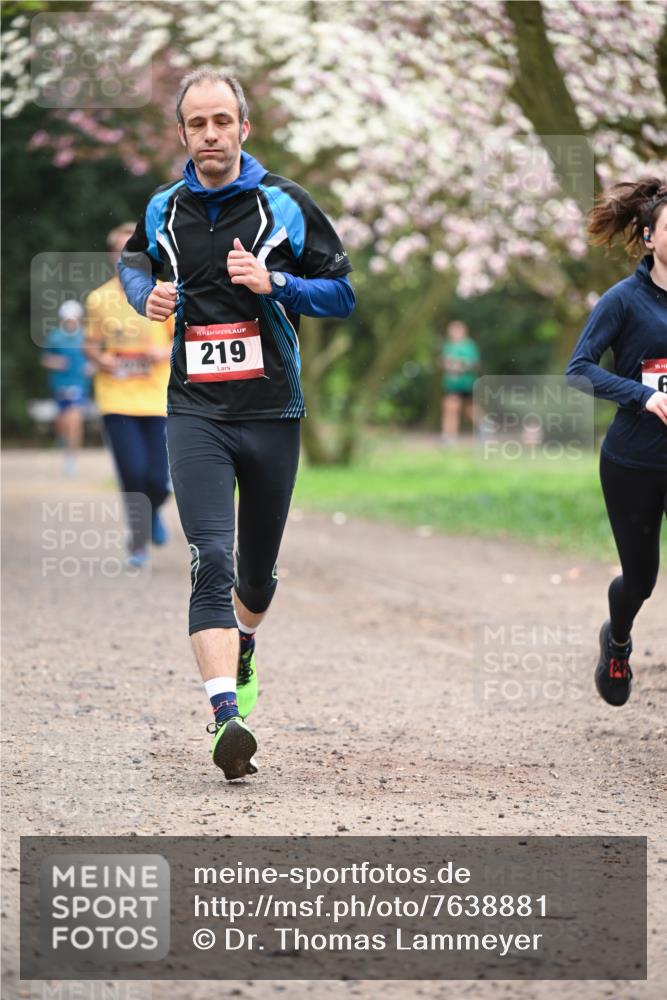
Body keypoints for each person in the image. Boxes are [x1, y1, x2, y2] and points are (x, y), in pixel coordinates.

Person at [117, 70, 355, 780]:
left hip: (273, 412)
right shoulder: (164, 208)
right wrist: (146, 295)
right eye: (198, 124)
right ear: (183, 133)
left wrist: (275, 283)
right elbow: (133, 262)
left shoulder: (284, 203)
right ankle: (227, 719)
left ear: (243, 127)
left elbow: (341, 292)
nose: (211, 134)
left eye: (223, 120)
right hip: (195, 411)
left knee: (255, 576)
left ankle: (245, 643)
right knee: (209, 559)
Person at [567, 177, 667, 707]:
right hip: (635, 461)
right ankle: (618, 639)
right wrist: (641, 396)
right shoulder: (623, 301)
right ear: (650, 236)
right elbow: (579, 370)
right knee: (642, 580)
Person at [85, 223, 174, 568]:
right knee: (133, 473)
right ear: (111, 256)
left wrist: (162, 350)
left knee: (158, 479)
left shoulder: (164, 294)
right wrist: (102, 359)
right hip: (116, 397)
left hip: (158, 398)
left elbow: (183, 340)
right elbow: (90, 346)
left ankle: (151, 513)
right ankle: (138, 540)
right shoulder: (98, 299)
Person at [41, 299, 90, 476]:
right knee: (63, 422)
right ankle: (64, 441)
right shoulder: (55, 336)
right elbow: (46, 359)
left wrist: (91, 366)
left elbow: (95, 356)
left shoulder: (85, 336)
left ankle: (71, 458)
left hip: (79, 384)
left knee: (75, 419)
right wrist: (56, 362)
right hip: (60, 384)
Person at [441, 320, 480, 443]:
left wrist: (460, 366)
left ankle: (486, 426)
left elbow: (474, 364)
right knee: (450, 407)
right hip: (451, 384)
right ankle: (449, 436)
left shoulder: (469, 346)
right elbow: (443, 362)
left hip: (466, 383)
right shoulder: (448, 345)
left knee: (468, 410)